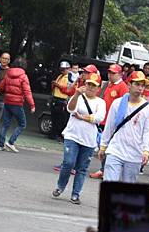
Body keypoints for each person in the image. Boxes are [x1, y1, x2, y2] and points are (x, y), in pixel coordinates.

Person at [52, 73, 106, 205]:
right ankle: (60, 186)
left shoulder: (100, 102)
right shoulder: (79, 97)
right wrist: (76, 94)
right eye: (89, 84)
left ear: (98, 88)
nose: (91, 88)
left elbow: (99, 118)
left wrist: (82, 117)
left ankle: (75, 194)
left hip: (88, 139)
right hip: (72, 135)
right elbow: (71, 109)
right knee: (68, 162)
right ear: (85, 84)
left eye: (94, 86)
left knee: (82, 168)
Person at [99, 71, 149, 183]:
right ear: (129, 85)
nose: (140, 88)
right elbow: (109, 126)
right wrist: (103, 146)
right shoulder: (117, 103)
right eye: (137, 84)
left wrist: (146, 151)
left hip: (134, 154)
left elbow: (148, 131)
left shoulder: (147, 108)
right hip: (116, 150)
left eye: (142, 85)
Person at [89, 64, 129, 179]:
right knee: (102, 145)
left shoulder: (123, 87)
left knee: (108, 147)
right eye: (109, 73)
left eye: (113, 73)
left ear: (120, 74)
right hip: (103, 119)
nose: (110, 75)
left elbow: (124, 106)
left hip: (112, 122)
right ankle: (104, 169)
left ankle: (105, 170)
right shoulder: (107, 84)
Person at [0, 57, 35, 153]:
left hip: (7, 102)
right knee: (22, 124)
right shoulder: (23, 76)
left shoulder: (8, 73)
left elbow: (1, 86)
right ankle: (11, 142)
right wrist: (32, 105)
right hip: (17, 103)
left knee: (5, 124)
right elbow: (27, 92)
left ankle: (0, 145)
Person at [50, 61, 75, 141]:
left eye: (64, 69)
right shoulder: (60, 76)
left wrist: (59, 86)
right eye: (62, 69)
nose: (63, 71)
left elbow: (70, 90)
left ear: (69, 69)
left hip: (63, 100)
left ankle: (59, 135)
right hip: (55, 99)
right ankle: (53, 134)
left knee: (61, 119)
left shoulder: (70, 77)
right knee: (54, 118)